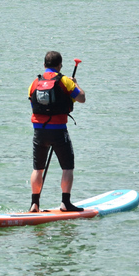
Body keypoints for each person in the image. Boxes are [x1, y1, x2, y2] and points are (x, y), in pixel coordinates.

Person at [28, 51, 86, 213]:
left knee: (38, 168)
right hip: (59, 130)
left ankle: (34, 204)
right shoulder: (65, 81)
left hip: (39, 131)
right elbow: (81, 98)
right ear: (59, 65)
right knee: (67, 167)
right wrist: (76, 85)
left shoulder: (34, 83)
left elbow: (34, 106)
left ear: (44, 65)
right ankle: (65, 203)